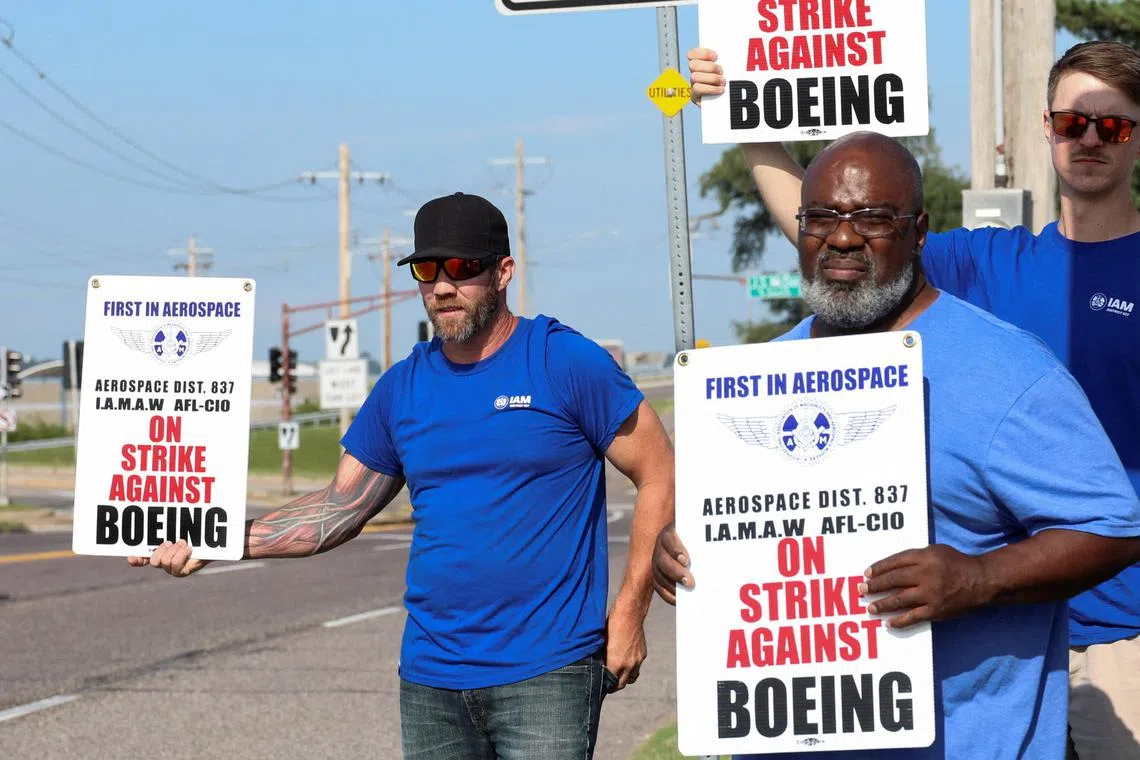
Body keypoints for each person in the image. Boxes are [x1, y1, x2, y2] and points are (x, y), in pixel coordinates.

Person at [686, 40, 1140, 758]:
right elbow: (836, 224)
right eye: (1069, 123)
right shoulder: (768, 374)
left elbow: (1113, 523)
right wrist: (691, 558)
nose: (844, 237)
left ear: (916, 235)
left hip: (1112, 631)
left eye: (1111, 126)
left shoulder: (1004, 363)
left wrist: (980, 577)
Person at [130, 191, 676, 760]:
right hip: (431, 677)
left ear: (504, 272)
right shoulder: (402, 388)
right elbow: (339, 510)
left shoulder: (564, 362)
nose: (443, 287)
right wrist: (215, 541)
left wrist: (631, 613)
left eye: (464, 269)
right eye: (426, 270)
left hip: (548, 671)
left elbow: (659, 472)